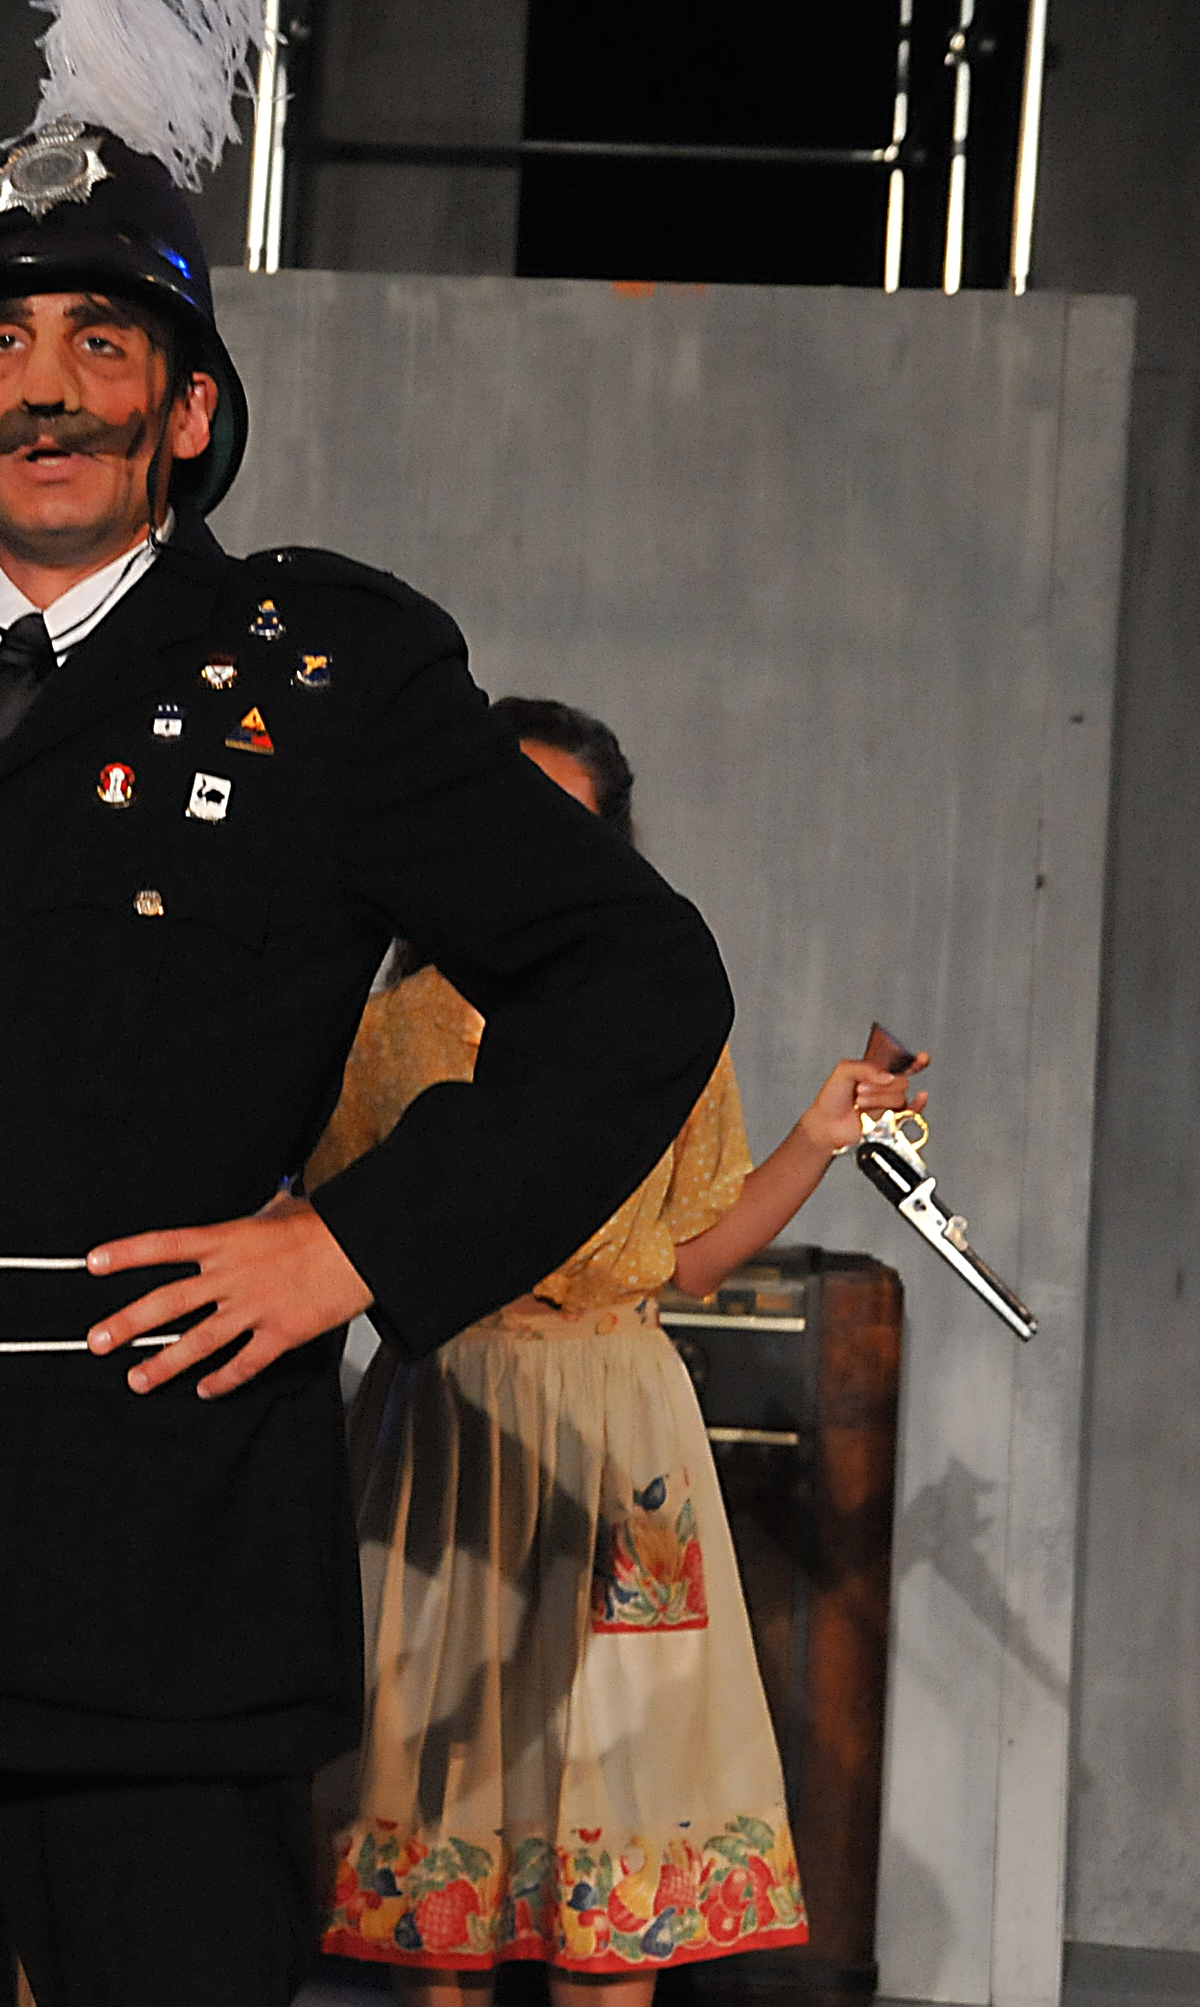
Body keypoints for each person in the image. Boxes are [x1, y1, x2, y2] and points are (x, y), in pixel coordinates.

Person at [0, 121, 738, 2007]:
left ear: (185, 410)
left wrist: (356, 1248)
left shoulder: (324, 677)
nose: (47, 390)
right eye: (1, 347)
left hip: (153, 1581)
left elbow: (639, 978)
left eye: (102, 343)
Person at [313, 696, 919, 2003]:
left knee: (619, 1811)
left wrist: (819, 1138)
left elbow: (691, 1255)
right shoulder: (384, 1030)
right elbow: (324, 1245)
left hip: (620, 1425)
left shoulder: (653, 1013)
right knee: (440, 1818)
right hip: (453, 1420)